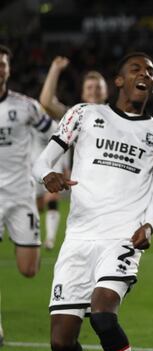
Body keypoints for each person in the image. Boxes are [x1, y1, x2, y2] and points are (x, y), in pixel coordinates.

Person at [32, 52, 153, 351]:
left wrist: (149, 225)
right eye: (136, 69)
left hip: (122, 238)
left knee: (102, 312)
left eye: (150, 71)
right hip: (78, 239)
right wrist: (48, 176)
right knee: (62, 344)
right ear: (119, 80)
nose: (144, 74)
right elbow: (41, 161)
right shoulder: (84, 114)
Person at [0, 44, 54, 346]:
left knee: (29, 269)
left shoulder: (25, 106)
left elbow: (55, 133)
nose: (0, 69)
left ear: (8, 69)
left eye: (3, 64)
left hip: (22, 196)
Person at [37, 56, 108, 250]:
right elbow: (47, 102)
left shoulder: (118, 117)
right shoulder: (76, 117)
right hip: (87, 193)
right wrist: (55, 69)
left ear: (106, 91)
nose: (94, 91)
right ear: (83, 94)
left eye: (98, 87)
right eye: (90, 87)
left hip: (113, 191)